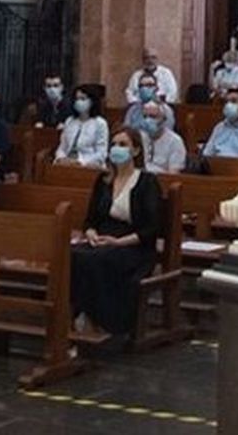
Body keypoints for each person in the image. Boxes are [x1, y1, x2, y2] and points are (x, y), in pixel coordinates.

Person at [70, 127, 162, 336]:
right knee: (74, 255)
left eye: (123, 145)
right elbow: (91, 219)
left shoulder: (147, 182)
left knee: (98, 261)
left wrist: (119, 242)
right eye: (114, 144)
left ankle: (103, 320)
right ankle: (77, 315)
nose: (116, 149)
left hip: (133, 245)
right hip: (103, 237)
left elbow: (152, 227)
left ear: (136, 151)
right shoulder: (103, 180)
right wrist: (91, 233)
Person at [55, 85, 110, 168]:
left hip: (88, 165)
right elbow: (62, 146)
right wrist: (61, 158)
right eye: (77, 99)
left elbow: (101, 153)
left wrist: (80, 162)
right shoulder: (70, 121)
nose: (79, 102)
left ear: (92, 101)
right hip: (67, 163)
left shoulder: (100, 123)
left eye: (83, 99)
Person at [137, 100, 188, 174]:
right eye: (145, 117)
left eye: (153, 117)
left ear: (163, 119)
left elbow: (173, 174)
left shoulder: (175, 141)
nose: (148, 120)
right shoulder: (138, 137)